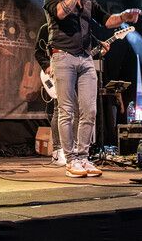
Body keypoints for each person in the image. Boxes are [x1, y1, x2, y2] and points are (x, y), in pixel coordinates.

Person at [44, 0, 141, 178]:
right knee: (67, 111)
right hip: (62, 57)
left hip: (86, 57)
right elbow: (60, 13)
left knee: (90, 110)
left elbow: (107, 21)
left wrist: (124, 16)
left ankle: (83, 157)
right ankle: (70, 160)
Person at [34, 22, 109, 167]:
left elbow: (84, 53)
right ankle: (58, 150)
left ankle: (77, 150)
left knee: (81, 109)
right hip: (59, 68)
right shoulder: (47, 28)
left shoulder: (80, 27)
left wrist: (99, 51)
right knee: (61, 108)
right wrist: (47, 67)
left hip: (79, 71)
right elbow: (38, 51)